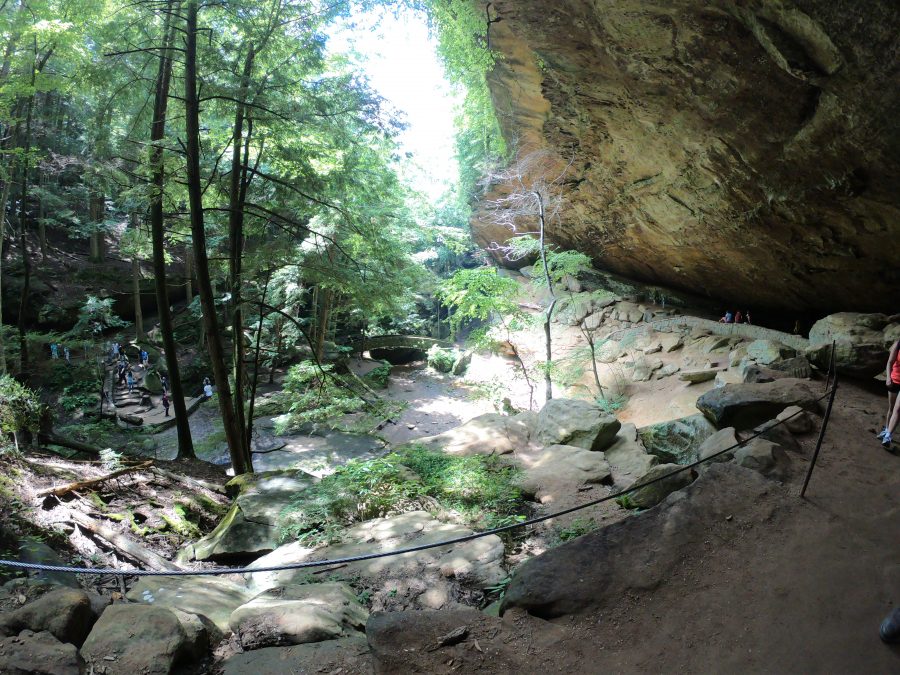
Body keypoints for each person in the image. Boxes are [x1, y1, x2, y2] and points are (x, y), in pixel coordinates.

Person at [879, 339, 900, 446]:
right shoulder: (898, 344)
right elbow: (890, 362)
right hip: (895, 380)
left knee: (898, 409)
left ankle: (888, 436)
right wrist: (888, 378)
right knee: (891, 408)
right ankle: (886, 430)